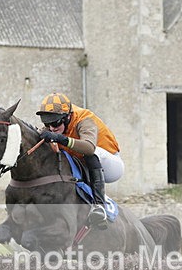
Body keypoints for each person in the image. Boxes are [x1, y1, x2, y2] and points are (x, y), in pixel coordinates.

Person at [36, 92, 124, 227]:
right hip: (83, 165)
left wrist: (60, 139)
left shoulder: (84, 120)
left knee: (91, 152)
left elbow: (89, 148)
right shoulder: (54, 126)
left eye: (55, 122)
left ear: (68, 117)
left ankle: (99, 206)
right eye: (47, 123)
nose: (52, 128)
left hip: (111, 166)